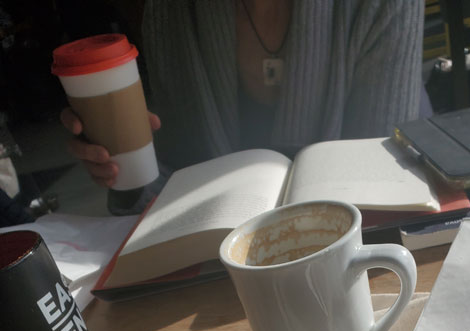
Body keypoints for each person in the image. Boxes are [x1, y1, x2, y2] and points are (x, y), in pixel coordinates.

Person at [61, 0, 427, 192]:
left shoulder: (380, 4)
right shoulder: (171, 12)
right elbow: (179, 176)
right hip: (229, 270)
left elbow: (384, 180)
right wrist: (122, 172)